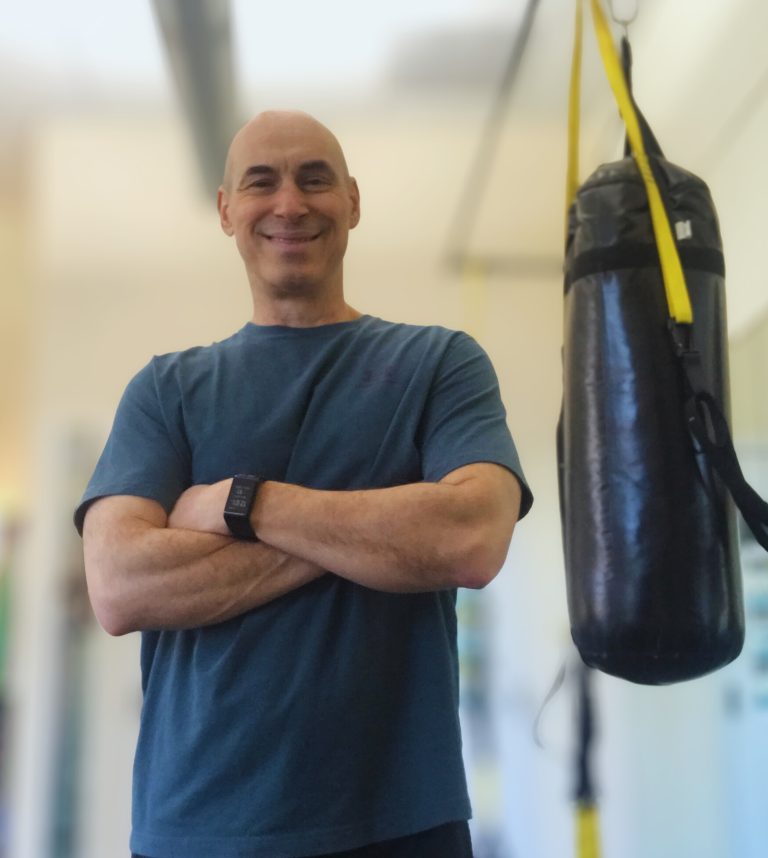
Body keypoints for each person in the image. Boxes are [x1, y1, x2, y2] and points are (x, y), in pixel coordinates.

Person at [76, 110, 533, 858]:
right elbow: (120, 586)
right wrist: (379, 529)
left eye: (314, 180)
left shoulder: (440, 365)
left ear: (352, 200)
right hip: (197, 825)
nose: (289, 204)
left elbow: (472, 539)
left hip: (400, 822)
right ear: (227, 209)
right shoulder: (166, 390)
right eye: (262, 183)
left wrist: (243, 503)